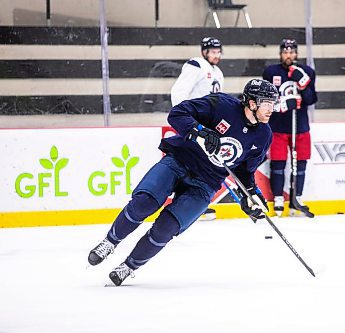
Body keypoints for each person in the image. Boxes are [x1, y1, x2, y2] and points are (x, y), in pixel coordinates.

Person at [87, 79, 279, 286]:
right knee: (145, 202)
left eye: (273, 103)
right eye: (266, 103)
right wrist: (199, 130)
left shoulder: (263, 135)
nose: (271, 109)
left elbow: (244, 171)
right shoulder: (222, 105)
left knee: (166, 228)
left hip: (206, 182)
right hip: (180, 161)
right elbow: (177, 114)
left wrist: (250, 195)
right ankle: (109, 242)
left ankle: (128, 266)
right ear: (251, 103)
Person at [170, 36, 225, 220]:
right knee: (187, 164)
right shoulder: (197, 65)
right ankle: (180, 203)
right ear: (204, 52)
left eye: (218, 52)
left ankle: (192, 203)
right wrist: (184, 120)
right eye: (212, 52)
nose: (216, 55)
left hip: (207, 126)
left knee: (200, 166)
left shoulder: (218, 72)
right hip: (193, 124)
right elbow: (179, 91)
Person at [262, 39, 318, 217]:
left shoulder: (307, 72)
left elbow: (311, 99)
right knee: (277, 164)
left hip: (300, 127)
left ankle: (297, 198)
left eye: (292, 52)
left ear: (296, 54)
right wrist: (282, 104)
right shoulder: (271, 72)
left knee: (300, 164)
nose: (289, 55)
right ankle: (278, 197)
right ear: (280, 54)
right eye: (285, 52)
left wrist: (302, 85)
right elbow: (265, 99)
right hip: (278, 127)